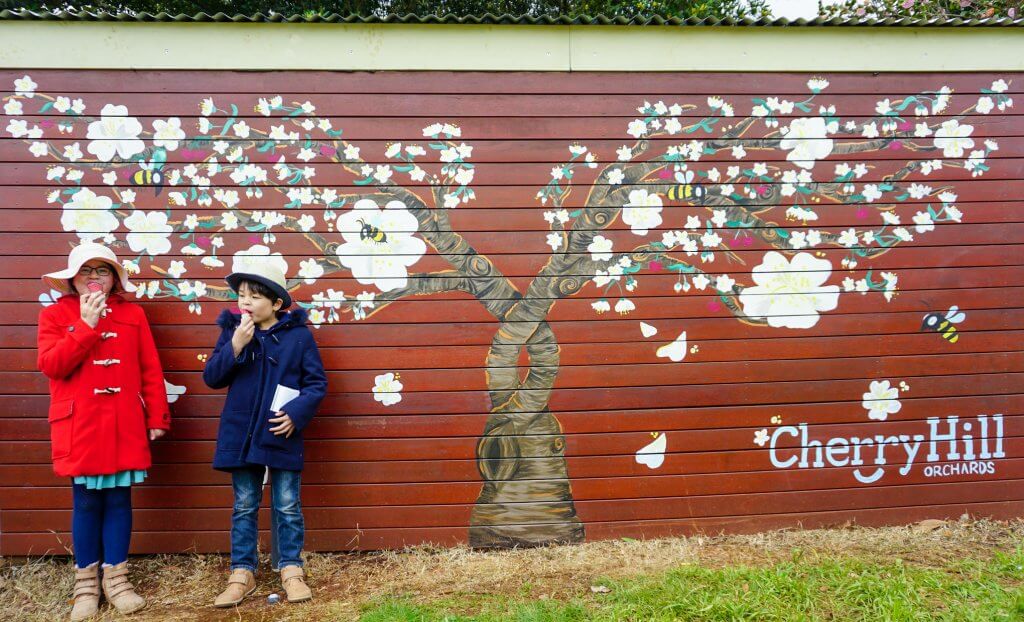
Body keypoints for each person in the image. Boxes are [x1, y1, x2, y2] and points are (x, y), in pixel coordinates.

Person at [37, 243, 170, 621]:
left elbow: (149, 366)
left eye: (103, 270)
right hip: (80, 424)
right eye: (86, 270)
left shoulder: (133, 314)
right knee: (86, 501)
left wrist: (157, 416)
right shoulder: (55, 314)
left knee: (118, 500)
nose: (94, 277)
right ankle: (86, 586)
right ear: (72, 278)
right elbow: (51, 365)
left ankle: (118, 580)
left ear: (114, 279)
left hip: (124, 421)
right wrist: (86, 326)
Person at [203, 261, 326, 607]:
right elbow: (212, 377)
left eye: (254, 296)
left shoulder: (298, 337)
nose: (245, 302)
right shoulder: (233, 332)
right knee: (244, 504)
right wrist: (236, 346)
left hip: (281, 432)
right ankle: (242, 572)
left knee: (287, 504)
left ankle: (290, 568)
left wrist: (295, 415)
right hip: (241, 433)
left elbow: (316, 384)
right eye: (241, 295)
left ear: (275, 304)